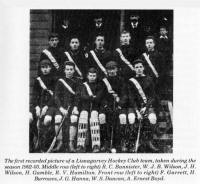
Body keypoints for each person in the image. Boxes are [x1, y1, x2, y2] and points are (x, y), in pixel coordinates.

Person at [128, 59, 159, 152]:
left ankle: (149, 141)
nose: (139, 69)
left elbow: (152, 96)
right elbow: (131, 98)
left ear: (144, 68)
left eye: (140, 67)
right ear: (133, 69)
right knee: (131, 118)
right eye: (136, 67)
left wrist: (146, 107)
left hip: (147, 106)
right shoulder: (131, 81)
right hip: (134, 107)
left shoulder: (149, 79)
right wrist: (137, 111)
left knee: (152, 118)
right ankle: (133, 142)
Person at [99, 61, 128, 152]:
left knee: (122, 117)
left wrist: (119, 106)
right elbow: (101, 96)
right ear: (106, 70)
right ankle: (105, 141)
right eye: (109, 69)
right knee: (102, 117)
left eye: (113, 69)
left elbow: (124, 95)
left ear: (117, 69)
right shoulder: (103, 81)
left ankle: (121, 142)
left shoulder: (121, 80)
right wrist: (106, 105)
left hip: (119, 105)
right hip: (107, 106)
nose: (111, 71)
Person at [54, 61, 82, 152]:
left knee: (74, 118)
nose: (69, 71)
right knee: (58, 118)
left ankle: (71, 143)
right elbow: (56, 96)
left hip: (73, 106)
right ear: (64, 70)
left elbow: (78, 95)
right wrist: (61, 108)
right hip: (62, 107)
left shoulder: (77, 81)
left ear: (74, 70)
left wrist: (75, 107)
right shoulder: (60, 81)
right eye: (67, 69)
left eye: (71, 69)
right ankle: (60, 142)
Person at [30, 59, 56, 152]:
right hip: (38, 105)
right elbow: (34, 95)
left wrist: (46, 107)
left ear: (50, 68)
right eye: (43, 67)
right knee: (29, 118)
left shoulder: (54, 79)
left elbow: (54, 97)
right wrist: (36, 107)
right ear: (41, 69)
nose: (45, 69)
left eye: (47, 67)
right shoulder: (38, 80)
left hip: (50, 105)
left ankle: (44, 144)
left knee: (47, 120)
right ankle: (31, 144)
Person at [76, 67, 104, 153]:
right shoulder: (83, 85)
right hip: (85, 107)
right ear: (87, 76)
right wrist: (92, 97)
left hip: (95, 107)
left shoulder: (99, 85)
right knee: (83, 119)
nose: (92, 77)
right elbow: (82, 96)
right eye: (90, 75)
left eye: (94, 75)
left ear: (96, 76)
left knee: (94, 120)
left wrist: (89, 98)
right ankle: (80, 145)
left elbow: (98, 98)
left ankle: (96, 145)